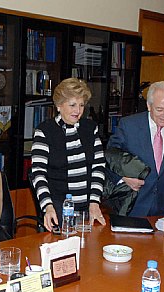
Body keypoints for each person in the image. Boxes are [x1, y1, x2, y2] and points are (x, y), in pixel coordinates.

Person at [107, 81, 164, 216]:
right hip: (132, 204)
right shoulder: (129, 125)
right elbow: (109, 157)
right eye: (159, 109)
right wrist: (123, 178)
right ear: (149, 106)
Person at [29, 77, 106, 231]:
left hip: (88, 206)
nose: (78, 111)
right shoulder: (45, 131)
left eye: (81, 105)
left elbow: (99, 167)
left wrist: (95, 201)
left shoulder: (91, 128)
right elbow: (38, 173)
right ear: (59, 105)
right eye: (72, 105)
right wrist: (48, 206)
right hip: (58, 206)